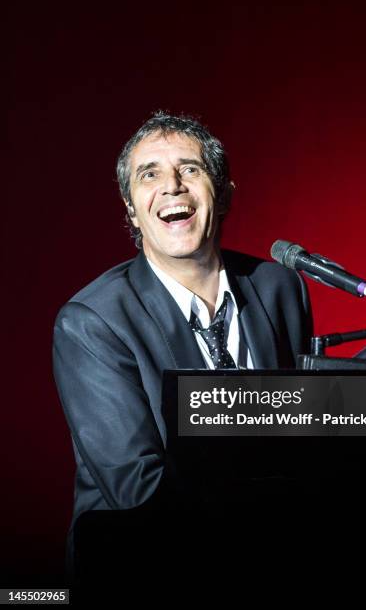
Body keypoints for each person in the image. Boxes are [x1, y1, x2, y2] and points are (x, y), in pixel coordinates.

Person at [52, 111, 313, 589]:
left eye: (190, 169)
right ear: (131, 208)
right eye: (149, 174)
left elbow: (303, 428)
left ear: (226, 193)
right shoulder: (92, 322)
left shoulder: (281, 288)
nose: (172, 186)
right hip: (143, 570)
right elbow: (138, 492)